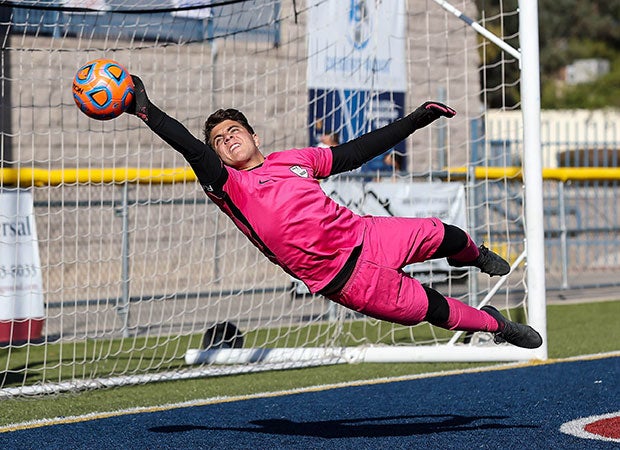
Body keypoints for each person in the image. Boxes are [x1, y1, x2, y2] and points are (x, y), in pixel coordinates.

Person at [127, 76, 542, 349]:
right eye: (219, 139)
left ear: (255, 135)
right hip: (347, 281)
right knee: (433, 310)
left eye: (235, 130)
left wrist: (415, 121)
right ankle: (497, 326)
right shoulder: (229, 187)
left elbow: (355, 152)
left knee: (443, 232)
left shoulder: (294, 158)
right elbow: (191, 147)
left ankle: (472, 255)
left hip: (366, 234)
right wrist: (146, 111)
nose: (227, 138)